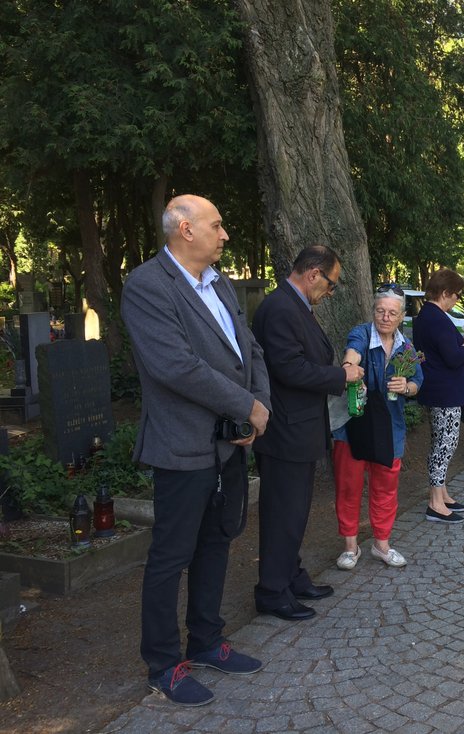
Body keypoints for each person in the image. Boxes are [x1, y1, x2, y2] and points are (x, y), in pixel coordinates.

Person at [121, 195, 271, 706]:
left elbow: (249, 349)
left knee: (216, 542)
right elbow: (175, 366)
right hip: (182, 446)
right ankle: (163, 664)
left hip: (230, 443)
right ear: (185, 230)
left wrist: (259, 407)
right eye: (217, 225)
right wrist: (246, 405)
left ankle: (206, 641)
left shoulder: (221, 282)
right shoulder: (147, 285)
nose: (225, 234)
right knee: (171, 556)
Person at [251, 246, 363, 622]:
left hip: (301, 427)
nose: (329, 292)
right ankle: (272, 590)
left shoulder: (296, 305)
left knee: (295, 511)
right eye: (330, 284)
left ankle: (290, 575)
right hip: (284, 431)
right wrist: (340, 376)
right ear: (313, 273)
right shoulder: (280, 307)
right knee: (283, 512)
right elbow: (289, 368)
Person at [332, 286, 423, 570]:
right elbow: (353, 351)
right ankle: (350, 546)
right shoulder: (361, 332)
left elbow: (417, 382)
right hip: (353, 424)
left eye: (392, 313)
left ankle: (381, 544)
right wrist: (349, 366)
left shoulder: (405, 348)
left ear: (401, 317)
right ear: (373, 312)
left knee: (386, 487)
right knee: (349, 486)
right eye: (380, 311)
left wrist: (406, 386)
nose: (385, 317)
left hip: (389, 426)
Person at [413, 268, 464, 523]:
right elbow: (454, 357)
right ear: (445, 293)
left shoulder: (428, 315)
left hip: (439, 389)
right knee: (444, 446)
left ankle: (442, 493)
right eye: (456, 295)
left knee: (442, 444)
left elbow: (442, 350)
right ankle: (435, 503)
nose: (458, 299)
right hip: (444, 391)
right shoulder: (436, 318)